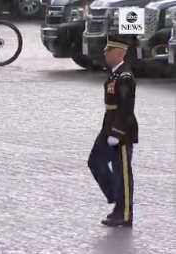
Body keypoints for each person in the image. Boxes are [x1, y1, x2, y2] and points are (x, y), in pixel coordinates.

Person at [88, 36, 137, 228]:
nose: (105, 53)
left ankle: (124, 213)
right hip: (109, 125)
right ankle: (115, 196)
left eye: (109, 50)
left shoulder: (124, 77)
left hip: (121, 130)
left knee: (123, 172)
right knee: (95, 160)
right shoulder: (115, 75)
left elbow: (126, 108)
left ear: (119, 53)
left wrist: (117, 133)